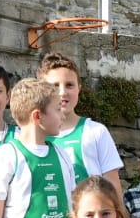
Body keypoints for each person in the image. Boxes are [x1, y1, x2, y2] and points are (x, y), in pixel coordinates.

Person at [0, 78, 77, 218]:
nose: (63, 115)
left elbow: (73, 210)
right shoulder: (7, 156)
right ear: (37, 116)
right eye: (57, 109)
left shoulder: (62, 154)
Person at [38, 51, 122, 187]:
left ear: (79, 89)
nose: (62, 92)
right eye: (55, 86)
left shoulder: (96, 131)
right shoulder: (32, 135)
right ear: (41, 91)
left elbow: (113, 187)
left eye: (69, 85)